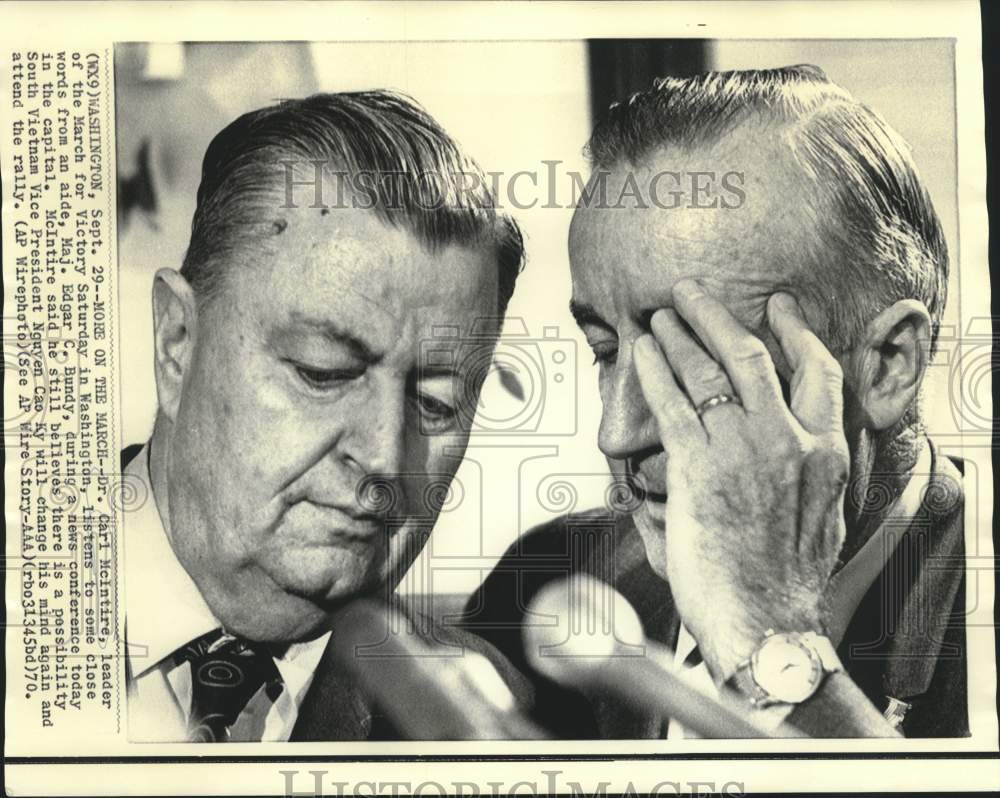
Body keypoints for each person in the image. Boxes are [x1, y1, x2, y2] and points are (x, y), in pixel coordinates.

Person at [462, 65, 967, 738]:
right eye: (606, 350)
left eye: (688, 352)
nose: (616, 433)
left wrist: (765, 632)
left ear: (887, 365)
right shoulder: (550, 572)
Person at [123, 90, 533, 742]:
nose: (381, 456)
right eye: (323, 372)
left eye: (435, 403)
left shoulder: (478, 721)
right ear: (177, 342)